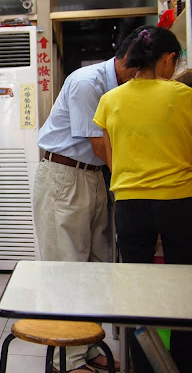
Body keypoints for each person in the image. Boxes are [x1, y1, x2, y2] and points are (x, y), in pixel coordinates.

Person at [32, 28, 142, 372]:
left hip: (93, 178)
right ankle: (67, 359)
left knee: (97, 268)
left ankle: (90, 345)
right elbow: (98, 145)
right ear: (134, 64)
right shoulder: (87, 82)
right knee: (67, 268)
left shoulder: (119, 88)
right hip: (64, 177)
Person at [93, 26, 192, 373]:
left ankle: (142, 365)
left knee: (135, 290)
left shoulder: (110, 100)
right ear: (167, 59)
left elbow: (110, 151)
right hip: (179, 202)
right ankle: (181, 361)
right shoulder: (183, 96)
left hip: (130, 205)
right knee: (185, 288)